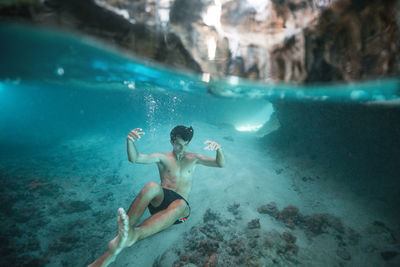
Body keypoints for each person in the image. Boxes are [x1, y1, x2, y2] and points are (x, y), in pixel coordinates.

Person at [89, 125, 226, 266]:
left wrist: (219, 149)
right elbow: (135, 158)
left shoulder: (194, 159)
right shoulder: (162, 158)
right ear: (172, 142)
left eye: (185, 145)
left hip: (180, 213)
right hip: (160, 203)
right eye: (179, 144)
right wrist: (129, 141)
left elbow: (220, 164)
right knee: (151, 186)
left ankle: (134, 235)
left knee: (180, 204)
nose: (182, 149)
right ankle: (125, 232)